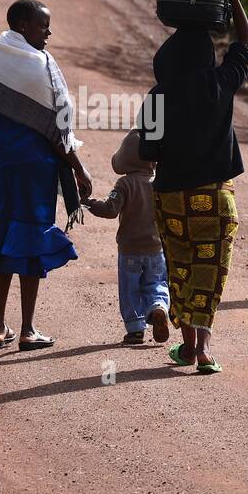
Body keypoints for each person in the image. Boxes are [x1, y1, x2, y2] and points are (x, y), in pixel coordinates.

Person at [0, 0, 93, 351]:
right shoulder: (41, 67)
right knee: (32, 238)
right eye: (43, 26)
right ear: (22, 26)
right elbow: (59, 132)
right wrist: (79, 169)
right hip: (34, 166)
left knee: (4, 231)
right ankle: (29, 329)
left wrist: (3, 102)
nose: (49, 33)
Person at [139, 0, 248, 374]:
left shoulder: (155, 99)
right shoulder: (220, 84)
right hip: (215, 196)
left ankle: (187, 347)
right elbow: (244, 42)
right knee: (210, 268)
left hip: (171, 196)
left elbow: (147, 153)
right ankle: (202, 348)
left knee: (181, 268)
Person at [84, 129, 170, 345]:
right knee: (157, 282)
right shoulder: (158, 182)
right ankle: (158, 306)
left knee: (130, 288)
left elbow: (110, 210)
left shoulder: (124, 184)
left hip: (130, 249)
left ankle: (135, 329)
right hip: (156, 248)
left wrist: (90, 203)